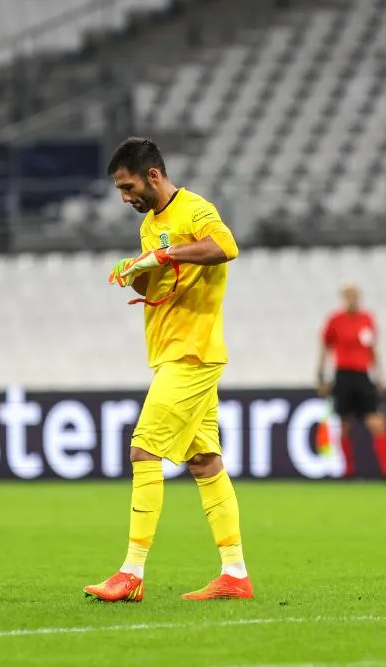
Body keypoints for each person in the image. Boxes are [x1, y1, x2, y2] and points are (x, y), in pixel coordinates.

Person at [83, 137, 253, 602]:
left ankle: (131, 571)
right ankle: (234, 573)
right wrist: (136, 268)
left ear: (153, 176)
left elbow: (225, 246)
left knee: (143, 449)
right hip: (173, 352)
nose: (124, 196)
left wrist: (165, 254)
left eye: (128, 185)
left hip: (192, 354)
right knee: (204, 462)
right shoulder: (151, 224)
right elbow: (159, 272)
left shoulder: (195, 209)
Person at [317, 283, 386, 479]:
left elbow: (372, 349)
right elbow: (325, 348)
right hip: (343, 375)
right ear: (343, 297)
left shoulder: (366, 319)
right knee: (344, 425)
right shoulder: (335, 320)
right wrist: (321, 376)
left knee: (377, 422)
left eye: (355, 295)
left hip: (362, 375)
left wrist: (380, 374)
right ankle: (349, 471)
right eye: (348, 295)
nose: (352, 298)